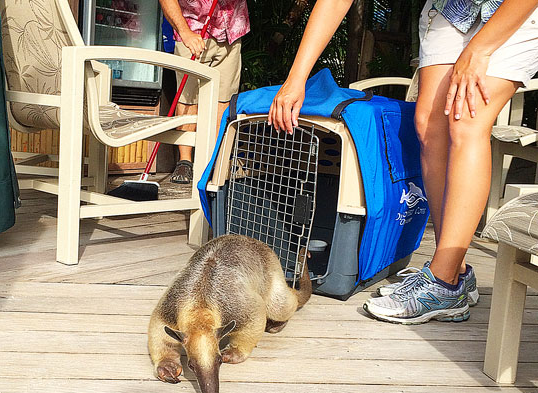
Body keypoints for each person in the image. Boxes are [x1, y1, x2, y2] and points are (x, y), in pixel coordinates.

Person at [268, 0, 538, 324]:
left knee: (466, 119)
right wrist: (297, 78)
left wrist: (480, 49)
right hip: (451, 7)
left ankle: (443, 280)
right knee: (427, 125)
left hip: (513, 7)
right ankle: (456, 270)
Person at [159, 0, 249, 184]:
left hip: (230, 32)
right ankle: (185, 161)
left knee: (223, 100)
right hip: (192, 31)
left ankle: (212, 160)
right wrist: (185, 32)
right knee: (188, 98)